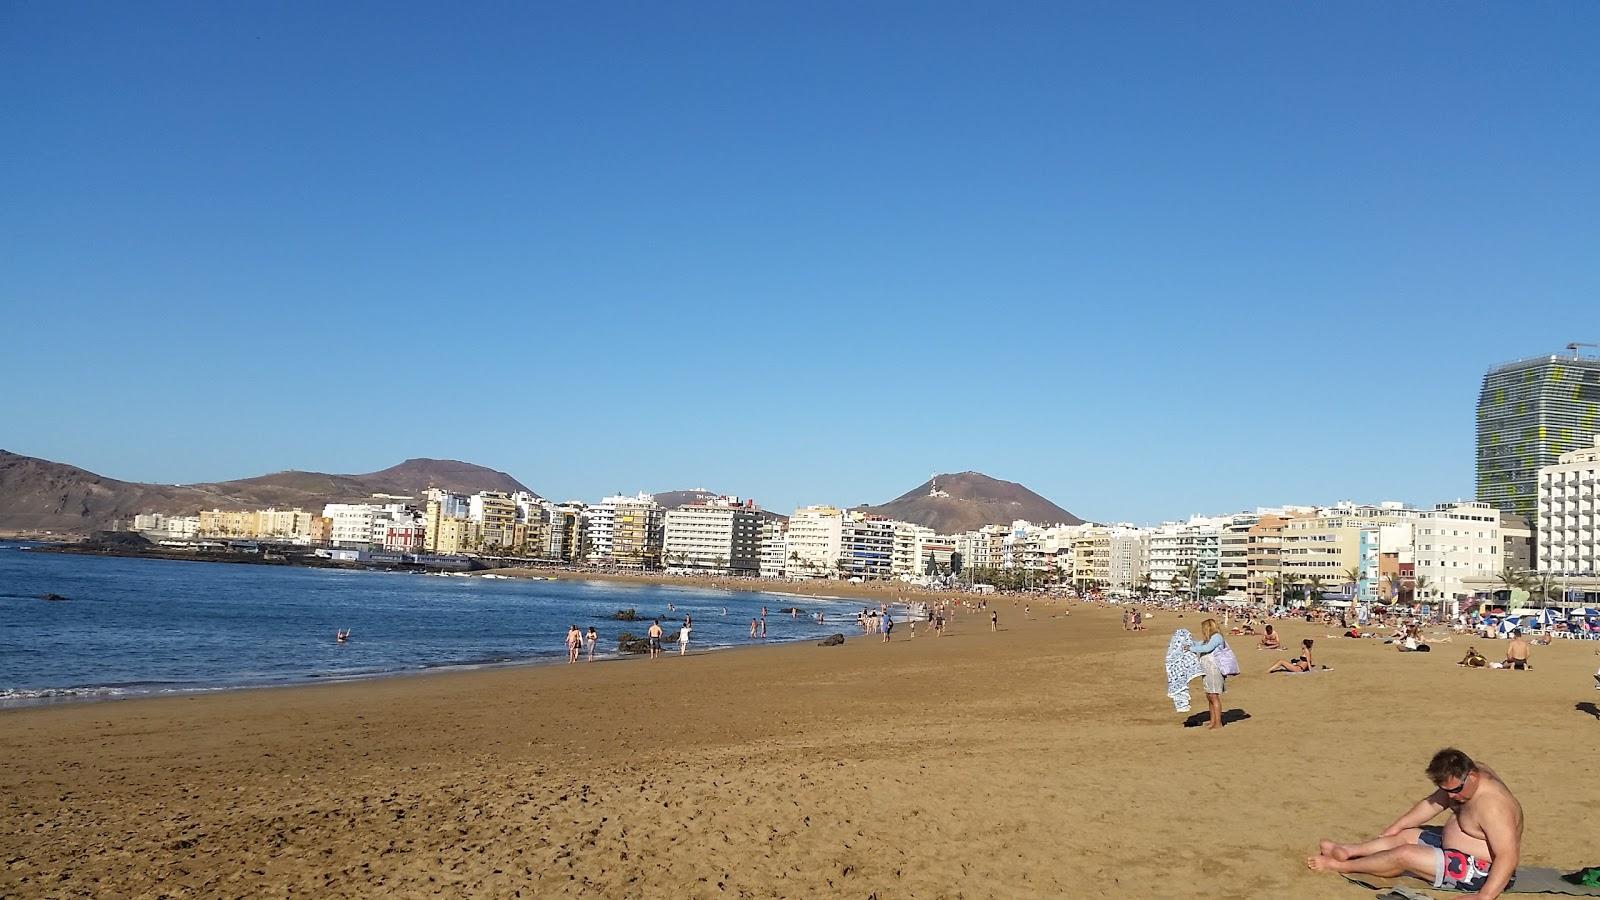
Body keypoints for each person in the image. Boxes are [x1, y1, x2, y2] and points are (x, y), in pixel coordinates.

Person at [1307, 748, 1523, 899]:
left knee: (1404, 855)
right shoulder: (1461, 781)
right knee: (1404, 835)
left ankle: (1341, 865)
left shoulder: (1494, 806)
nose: (1453, 797)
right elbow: (1433, 804)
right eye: (1448, 791)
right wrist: (1396, 827)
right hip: (1456, 849)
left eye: (1456, 790)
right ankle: (1349, 850)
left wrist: (1485, 896)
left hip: (1481, 870)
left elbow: (1508, 855)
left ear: (1473, 776)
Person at [1188, 618, 1228, 729]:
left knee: (1214, 696)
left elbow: (1207, 647)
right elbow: (1200, 643)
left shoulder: (1217, 637)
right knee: (1209, 696)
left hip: (1214, 670)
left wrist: (1191, 649)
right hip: (1207, 670)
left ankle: (1218, 723)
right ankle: (1213, 721)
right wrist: (1187, 642)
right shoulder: (1210, 638)